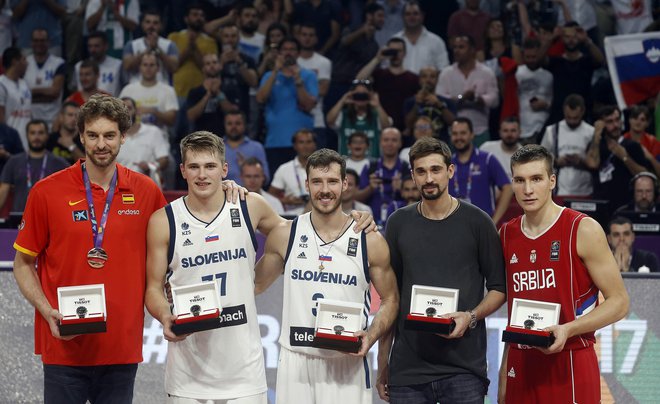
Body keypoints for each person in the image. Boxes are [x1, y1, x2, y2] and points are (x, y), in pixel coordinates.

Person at [144, 134, 376, 403]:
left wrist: (353, 221)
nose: (202, 175)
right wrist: (164, 315)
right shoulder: (164, 221)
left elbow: (305, 233)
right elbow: (153, 288)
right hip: (187, 370)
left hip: (245, 371)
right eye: (194, 167)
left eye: (210, 166)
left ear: (224, 169)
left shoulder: (249, 205)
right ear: (183, 170)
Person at [12, 94, 167, 403]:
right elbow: (23, 263)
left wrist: (229, 189)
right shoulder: (46, 191)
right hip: (64, 346)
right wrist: (46, 311)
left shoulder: (146, 192)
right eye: (93, 135)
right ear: (80, 135)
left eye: (109, 135)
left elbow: (175, 240)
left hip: (120, 349)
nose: (101, 144)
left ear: (123, 137)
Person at [254, 148, 399, 404]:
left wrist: (371, 336)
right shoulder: (285, 235)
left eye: (332, 181)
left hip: (346, 360)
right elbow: (251, 286)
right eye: (317, 182)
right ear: (307, 185)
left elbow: (390, 300)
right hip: (296, 359)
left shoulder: (370, 240)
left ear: (345, 184)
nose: (325, 190)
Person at [378, 136, 506, 404]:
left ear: (450, 171)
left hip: (463, 368)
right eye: (421, 172)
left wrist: (470, 316)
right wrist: (383, 362)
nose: (429, 179)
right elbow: (392, 297)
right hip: (408, 369)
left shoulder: (479, 222)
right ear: (412, 175)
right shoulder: (398, 223)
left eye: (435, 170)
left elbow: (499, 289)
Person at [498, 144, 630, 403]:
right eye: (519, 180)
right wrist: (504, 372)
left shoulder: (582, 229)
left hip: (570, 359)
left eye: (536, 179)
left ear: (552, 181)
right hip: (520, 362)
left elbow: (620, 302)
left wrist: (568, 329)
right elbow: (515, 311)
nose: (527, 189)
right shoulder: (505, 234)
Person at [256, 37, 318, 174]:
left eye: (292, 49)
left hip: (303, 143)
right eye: (285, 50)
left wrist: (298, 80)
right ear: (279, 53)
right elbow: (260, 98)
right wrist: (275, 71)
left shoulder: (308, 76)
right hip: (275, 141)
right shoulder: (268, 76)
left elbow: (308, 105)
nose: (288, 53)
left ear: (298, 53)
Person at [449, 118, 513, 225]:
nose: (459, 137)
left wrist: (494, 221)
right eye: (455, 133)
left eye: (463, 133)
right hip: (454, 226)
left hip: (482, 226)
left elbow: (508, 188)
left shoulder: (487, 159)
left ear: (472, 135)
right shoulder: (447, 163)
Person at [437, 35, 499, 146]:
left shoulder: (486, 73)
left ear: (472, 50)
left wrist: (476, 98)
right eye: (455, 47)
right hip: (455, 133)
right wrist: (462, 98)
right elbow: (440, 101)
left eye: (461, 47)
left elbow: (494, 101)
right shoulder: (446, 73)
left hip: (480, 131)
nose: (456, 51)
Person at [0, 119, 68, 213]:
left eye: (40, 133)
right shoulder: (13, 161)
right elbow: (3, 191)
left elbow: (69, 193)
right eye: (32, 133)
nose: (36, 137)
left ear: (47, 136)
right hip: (19, 219)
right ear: (27, 136)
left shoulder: (60, 163)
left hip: (49, 218)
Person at [356, 37, 419, 131]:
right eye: (393, 51)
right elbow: (359, 80)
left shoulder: (413, 78)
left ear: (405, 53)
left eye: (399, 51)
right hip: (381, 123)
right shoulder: (379, 74)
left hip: (405, 127)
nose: (396, 54)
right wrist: (377, 59)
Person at [540, 94, 594, 197]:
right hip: (559, 190)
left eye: (575, 118)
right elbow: (540, 159)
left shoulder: (591, 132)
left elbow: (596, 163)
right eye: (569, 117)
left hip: (585, 190)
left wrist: (581, 161)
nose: (572, 121)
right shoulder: (552, 131)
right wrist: (556, 161)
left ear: (583, 112)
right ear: (564, 111)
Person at [357, 127, 409, 226]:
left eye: (394, 140)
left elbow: (415, 198)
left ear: (400, 143)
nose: (390, 143)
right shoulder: (370, 167)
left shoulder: (406, 168)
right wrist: (370, 188)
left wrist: (401, 190)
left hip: (401, 222)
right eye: (386, 140)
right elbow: (356, 198)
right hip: (372, 223)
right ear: (380, 142)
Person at [326, 79, 391, 158]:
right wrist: (342, 101)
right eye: (357, 94)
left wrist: (377, 105)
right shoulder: (343, 115)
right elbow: (329, 120)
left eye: (364, 94)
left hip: (372, 164)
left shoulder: (376, 115)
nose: (360, 97)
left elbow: (387, 126)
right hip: (347, 163)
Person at [168, 2, 218, 100]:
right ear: (186, 18)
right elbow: (172, 66)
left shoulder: (210, 42)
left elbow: (208, 69)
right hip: (178, 91)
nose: (199, 18)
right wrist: (188, 49)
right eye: (195, 15)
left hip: (202, 92)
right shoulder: (174, 37)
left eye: (201, 15)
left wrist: (194, 48)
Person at [116, 97, 169, 187]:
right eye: (121, 109)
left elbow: (164, 160)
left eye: (129, 108)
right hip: (121, 189)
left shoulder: (153, 132)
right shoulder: (112, 137)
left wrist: (150, 166)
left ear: (136, 111)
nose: (125, 112)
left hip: (148, 187)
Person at [118, 52, 179, 130]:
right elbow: (118, 116)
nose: (148, 68)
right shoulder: (128, 89)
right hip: (132, 138)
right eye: (145, 65)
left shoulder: (168, 90)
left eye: (152, 65)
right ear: (140, 68)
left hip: (159, 137)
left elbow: (172, 120)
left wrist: (153, 112)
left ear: (158, 68)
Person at [122, 9, 179, 85]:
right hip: (136, 89)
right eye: (148, 22)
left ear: (161, 25)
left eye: (155, 23)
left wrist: (157, 49)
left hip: (162, 89)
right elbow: (127, 66)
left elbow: (174, 68)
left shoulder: (170, 45)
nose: (151, 26)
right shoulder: (131, 45)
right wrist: (147, 50)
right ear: (142, 24)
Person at [268, 129, 317, 214]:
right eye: (301, 142)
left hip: (319, 215)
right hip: (292, 217)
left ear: (314, 145)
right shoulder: (284, 169)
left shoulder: (323, 168)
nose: (305, 146)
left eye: (309, 142)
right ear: (295, 146)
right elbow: (270, 196)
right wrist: (284, 201)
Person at [394, 0, 449, 74]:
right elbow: (386, 68)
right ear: (403, 17)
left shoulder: (436, 41)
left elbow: (444, 69)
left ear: (422, 16)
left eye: (415, 14)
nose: (411, 17)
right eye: (408, 14)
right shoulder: (394, 41)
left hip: (428, 85)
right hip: (400, 85)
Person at [25, 28, 65, 128]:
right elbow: (21, 95)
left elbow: (55, 93)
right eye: (36, 40)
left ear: (49, 42)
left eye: (42, 40)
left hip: (52, 119)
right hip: (29, 119)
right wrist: (46, 92)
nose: (39, 43)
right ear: (31, 43)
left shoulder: (58, 63)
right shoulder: (24, 63)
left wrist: (30, 93)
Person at [223, 111, 269, 183]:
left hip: (250, 192)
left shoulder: (257, 147)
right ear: (224, 126)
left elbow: (266, 178)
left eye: (237, 123)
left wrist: (248, 167)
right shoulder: (217, 148)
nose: (233, 127)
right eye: (230, 124)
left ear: (245, 125)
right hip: (223, 192)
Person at [0, 47, 32, 150]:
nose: (27, 63)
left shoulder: (24, 84)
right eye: (24, 59)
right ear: (15, 61)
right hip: (11, 142)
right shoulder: (1, 84)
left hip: (27, 140)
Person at [74, 31, 123, 97]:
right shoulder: (79, 66)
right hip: (84, 104)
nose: (93, 50)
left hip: (111, 104)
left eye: (96, 46)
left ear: (106, 46)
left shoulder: (118, 65)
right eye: (90, 46)